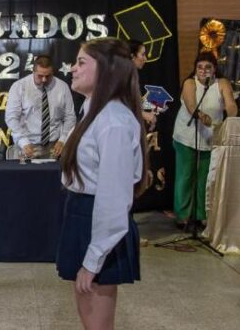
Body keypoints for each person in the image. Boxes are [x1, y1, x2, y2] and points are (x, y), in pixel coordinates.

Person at [57, 38, 147, 329]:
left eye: (82, 62)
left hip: (99, 221)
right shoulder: (92, 110)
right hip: (83, 214)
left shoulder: (114, 121)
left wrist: (94, 258)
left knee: (97, 321)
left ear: (107, 69)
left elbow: (114, 198)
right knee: (87, 315)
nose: (73, 68)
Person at [171, 51, 237, 226]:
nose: (203, 70)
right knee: (185, 177)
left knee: (205, 179)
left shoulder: (221, 83)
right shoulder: (189, 82)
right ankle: (183, 215)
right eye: (200, 67)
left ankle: (201, 215)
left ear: (214, 69)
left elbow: (230, 104)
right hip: (186, 137)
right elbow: (191, 104)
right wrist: (200, 115)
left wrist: (231, 118)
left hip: (211, 137)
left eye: (208, 67)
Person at [5, 54, 76, 159]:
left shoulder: (62, 87)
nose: (44, 80)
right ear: (33, 72)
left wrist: (63, 140)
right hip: (26, 145)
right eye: (40, 76)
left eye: (48, 76)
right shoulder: (19, 87)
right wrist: (23, 141)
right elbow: (11, 118)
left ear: (53, 72)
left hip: (55, 147)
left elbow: (70, 117)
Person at [128, 39, 158, 131]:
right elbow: (121, 105)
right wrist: (145, 115)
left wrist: (151, 108)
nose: (145, 59)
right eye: (142, 54)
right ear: (132, 56)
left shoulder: (133, 76)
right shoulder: (121, 77)